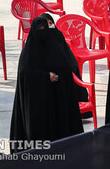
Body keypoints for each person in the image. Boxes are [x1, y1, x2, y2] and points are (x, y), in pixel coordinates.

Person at [10, 17, 83, 153]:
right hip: (38, 101)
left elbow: (66, 65)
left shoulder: (54, 43)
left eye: (46, 28)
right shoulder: (29, 50)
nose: (43, 32)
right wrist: (45, 76)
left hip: (56, 97)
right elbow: (25, 72)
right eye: (40, 30)